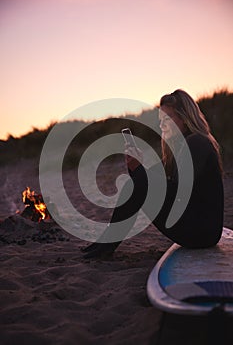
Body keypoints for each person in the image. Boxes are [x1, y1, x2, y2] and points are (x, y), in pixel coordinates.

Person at [81, 89, 224, 259]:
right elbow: (146, 182)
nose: (162, 125)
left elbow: (178, 192)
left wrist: (140, 171)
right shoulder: (178, 148)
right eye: (160, 120)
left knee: (138, 183)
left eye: (167, 119)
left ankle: (107, 245)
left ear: (185, 119)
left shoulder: (196, 143)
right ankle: (106, 243)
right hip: (193, 225)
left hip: (201, 233)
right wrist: (136, 165)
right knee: (136, 183)